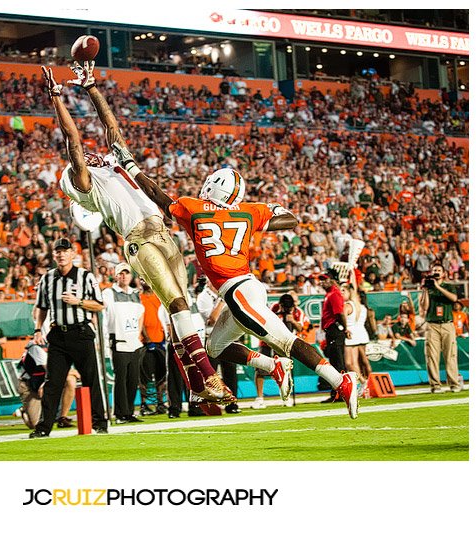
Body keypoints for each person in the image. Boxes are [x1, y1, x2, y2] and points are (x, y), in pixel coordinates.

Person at [114, 151, 359, 418]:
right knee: (214, 348)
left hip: (239, 291)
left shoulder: (194, 208)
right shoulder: (248, 212)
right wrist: (259, 222)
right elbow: (290, 218)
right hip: (242, 289)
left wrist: (130, 166)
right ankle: (273, 366)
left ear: (213, 186)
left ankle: (340, 381)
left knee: (286, 341)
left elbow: (157, 194)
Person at [41, 62, 232, 404]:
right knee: (175, 301)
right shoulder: (88, 184)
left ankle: (195, 381)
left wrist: (91, 87)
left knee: (181, 309)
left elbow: (110, 125)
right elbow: (73, 140)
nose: (88, 157)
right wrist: (56, 97)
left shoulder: (114, 166)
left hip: (162, 233)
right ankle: (209, 376)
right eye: (79, 164)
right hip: (139, 241)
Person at [29, 238, 108, 438]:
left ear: (73, 254)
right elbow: (41, 307)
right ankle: (43, 427)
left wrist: (79, 301)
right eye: (58, 252)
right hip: (57, 334)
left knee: (91, 380)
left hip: (80, 333)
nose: (61, 255)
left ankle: (100, 422)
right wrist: (38, 330)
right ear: (54, 255)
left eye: (65, 251)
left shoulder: (86, 276)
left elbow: (99, 305)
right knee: (53, 383)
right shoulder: (47, 278)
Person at [103, 263, 145, 424]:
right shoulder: (109, 292)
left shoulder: (135, 294)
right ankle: (120, 413)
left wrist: (137, 333)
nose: (124, 276)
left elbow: (141, 313)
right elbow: (103, 307)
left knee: (133, 379)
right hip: (118, 341)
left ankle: (128, 412)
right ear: (116, 276)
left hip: (133, 342)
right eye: (121, 274)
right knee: (121, 378)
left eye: (127, 273)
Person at [252, 293, 308, 409]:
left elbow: (301, 328)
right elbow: (264, 321)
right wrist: (277, 316)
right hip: (267, 341)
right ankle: (260, 398)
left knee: (285, 370)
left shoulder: (298, 312)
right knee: (261, 368)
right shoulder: (273, 307)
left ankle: (286, 397)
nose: (285, 309)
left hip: (284, 343)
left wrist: (292, 321)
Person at [195, 276, 240, 413]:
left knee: (230, 373)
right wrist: (221, 300)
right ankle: (210, 404)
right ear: (209, 282)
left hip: (226, 338)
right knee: (210, 374)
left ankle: (231, 404)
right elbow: (213, 319)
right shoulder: (204, 297)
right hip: (211, 340)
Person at [17, 339, 81, 430]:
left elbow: (61, 371)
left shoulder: (62, 346)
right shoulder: (37, 348)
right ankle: (24, 410)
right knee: (35, 424)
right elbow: (51, 371)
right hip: (30, 385)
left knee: (70, 379)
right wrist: (76, 372)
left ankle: (63, 418)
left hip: (45, 382)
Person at [419, 263, 460, 393]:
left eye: (438, 270)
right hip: (432, 325)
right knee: (432, 356)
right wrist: (425, 289)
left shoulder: (448, 286)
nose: (436, 272)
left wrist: (438, 286)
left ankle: (454, 384)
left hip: (447, 324)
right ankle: (435, 385)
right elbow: (424, 308)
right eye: (434, 270)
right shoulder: (428, 288)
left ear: (443, 274)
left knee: (451, 355)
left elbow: (454, 299)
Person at [317, 269, 351, 403]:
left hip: (335, 329)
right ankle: (337, 393)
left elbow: (340, 313)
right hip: (332, 330)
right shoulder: (330, 293)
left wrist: (345, 328)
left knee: (338, 362)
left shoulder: (334, 294)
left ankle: (341, 393)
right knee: (335, 362)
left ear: (332, 280)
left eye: (325, 279)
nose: (322, 282)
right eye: (321, 280)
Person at [138, 280, 168, 415]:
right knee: (145, 375)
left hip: (160, 341)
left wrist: (164, 337)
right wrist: (148, 339)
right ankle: (144, 404)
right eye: (142, 279)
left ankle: (160, 403)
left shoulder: (158, 298)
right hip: (146, 343)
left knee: (161, 374)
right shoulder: (139, 298)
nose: (145, 282)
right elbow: (140, 320)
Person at [341, 284, 372, 391]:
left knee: (349, 363)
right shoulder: (359, 305)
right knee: (358, 362)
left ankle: (364, 382)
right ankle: (364, 383)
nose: (341, 293)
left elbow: (343, 318)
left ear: (350, 293)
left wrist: (344, 329)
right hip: (359, 333)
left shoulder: (347, 305)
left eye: (343, 291)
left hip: (349, 334)